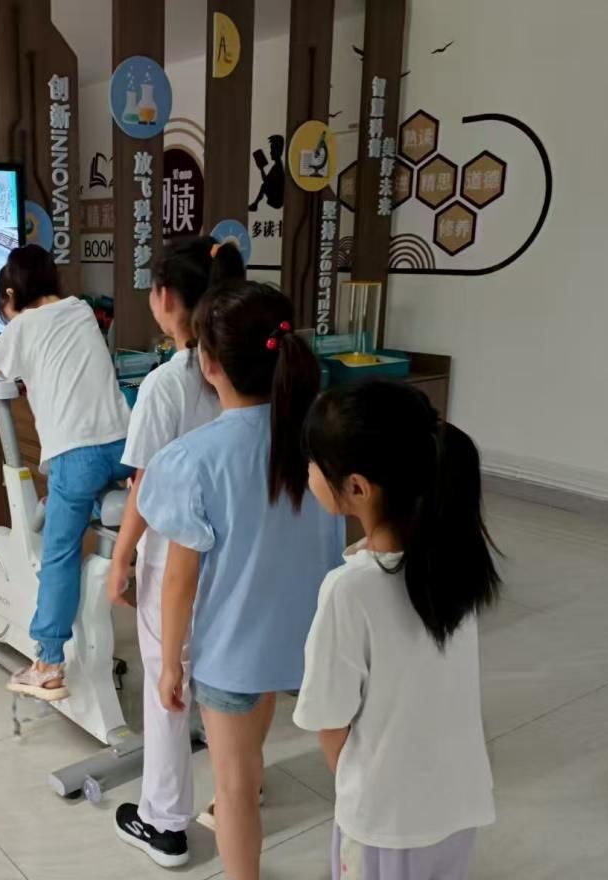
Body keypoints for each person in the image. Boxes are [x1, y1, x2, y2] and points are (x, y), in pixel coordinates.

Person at [135, 282, 345, 880]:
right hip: (317, 640)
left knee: (235, 786)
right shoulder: (323, 438)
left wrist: (170, 664)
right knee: (351, 777)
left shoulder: (191, 459)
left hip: (232, 654)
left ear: (208, 364)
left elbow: (179, 583)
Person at [294, 380, 501, 880]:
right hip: (457, 803)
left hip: (384, 821)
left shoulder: (350, 590)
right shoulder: (456, 559)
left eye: (315, 463)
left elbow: (330, 720)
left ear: (357, 487)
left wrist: (362, 792)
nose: (308, 472)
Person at [0, 244, 131, 699]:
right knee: (67, 507)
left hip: (76, 457)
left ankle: (48, 664)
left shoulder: (21, 326)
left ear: (10, 294)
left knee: (59, 553)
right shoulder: (81, 310)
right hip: (124, 446)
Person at [109, 237, 246, 868]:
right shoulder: (247, 373)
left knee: (169, 681)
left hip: (177, 561)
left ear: (165, 298)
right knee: (228, 676)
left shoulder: (167, 384)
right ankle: (240, 791)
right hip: (238, 556)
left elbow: (145, 481)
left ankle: (164, 823)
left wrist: (121, 555)